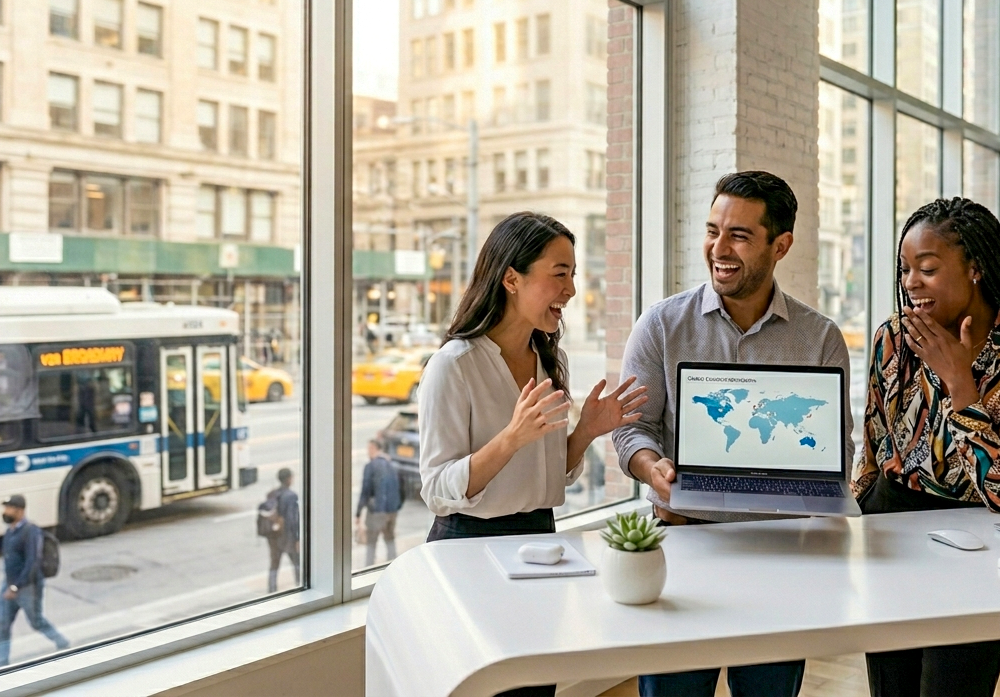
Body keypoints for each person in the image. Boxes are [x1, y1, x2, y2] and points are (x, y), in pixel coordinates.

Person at [612, 171, 854, 697]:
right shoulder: (661, 325)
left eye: (739, 235)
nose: (718, 248)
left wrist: (826, 492)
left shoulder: (820, 338)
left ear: (780, 245)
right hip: (684, 544)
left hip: (781, 554)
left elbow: (838, 451)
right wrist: (653, 469)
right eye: (712, 230)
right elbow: (633, 430)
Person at [419, 211, 647, 697]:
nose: (570, 290)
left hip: (540, 541)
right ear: (511, 279)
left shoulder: (549, 359)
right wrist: (510, 438)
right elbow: (437, 490)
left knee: (536, 689)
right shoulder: (452, 367)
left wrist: (585, 432)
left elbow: (547, 475)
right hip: (469, 551)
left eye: (573, 276)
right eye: (559, 274)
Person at [852, 197, 1000, 697]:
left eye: (926, 269)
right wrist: (848, 521)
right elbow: (873, 448)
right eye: (905, 269)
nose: (910, 283)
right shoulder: (894, 337)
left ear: (975, 268)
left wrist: (960, 384)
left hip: (979, 542)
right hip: (892, 528)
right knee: (892, 688)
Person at [0, 494, 68, 667]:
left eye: (9, 508)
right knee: (3, 623)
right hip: (9, 584)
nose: (5, 512)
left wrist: (15, 587)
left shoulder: (30, 531)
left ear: (20, 511)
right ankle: (1, 663)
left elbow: (32, 562)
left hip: (27, 587)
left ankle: (62, 643)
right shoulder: (10, 531)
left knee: (36, 621)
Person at [356, 439, 403, 566]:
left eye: (368, 449)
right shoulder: (393, 464)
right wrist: (397, 506)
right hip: (392, 510)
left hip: (377, 511)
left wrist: (358, 513)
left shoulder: (370, 466)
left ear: (373, 448)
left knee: (371, 544)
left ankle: (369, 568)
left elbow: (365, 491)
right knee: (390, 540)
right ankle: (393, 566)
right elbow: (401, 487)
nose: (367, 452)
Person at [265, 468, 301, 593]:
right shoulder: (291, 496)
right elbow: (293, 519)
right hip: (287, 537)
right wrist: (297, 538)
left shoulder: (273, 493)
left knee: (274, 564)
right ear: (289, 479)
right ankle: (300, 584)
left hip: (274, 536)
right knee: (297, 562)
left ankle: (271, 589)